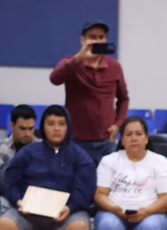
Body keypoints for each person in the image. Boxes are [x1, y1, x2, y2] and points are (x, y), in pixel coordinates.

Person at [50, 20, 129, 166]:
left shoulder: (114, 66)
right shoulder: (71, 62)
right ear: (83, 40)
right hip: (76, 141)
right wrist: (79, 57)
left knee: (105, 186)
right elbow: (54, 79)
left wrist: (118, 124)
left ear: (106, 40)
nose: (97, 41)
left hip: (106, 142)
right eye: (92, 37)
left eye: (101, 37)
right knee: (77, 184)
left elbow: (124, 98)